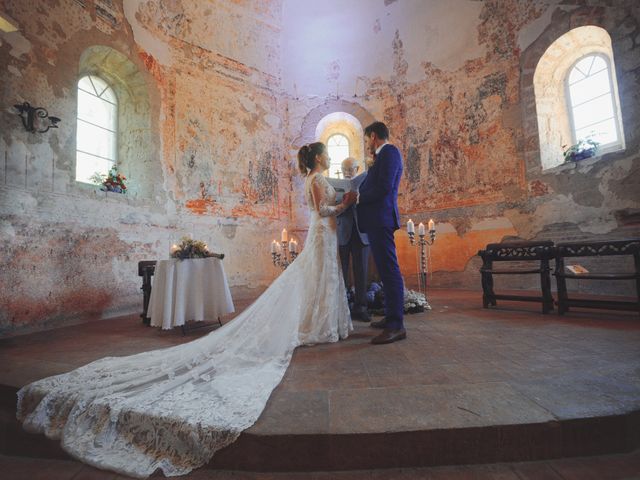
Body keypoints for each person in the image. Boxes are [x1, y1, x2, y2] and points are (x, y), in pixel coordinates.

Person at [16, 142, 357, 479]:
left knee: (320, 280)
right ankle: (314, 324)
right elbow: (320, 211)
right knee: (314, 278)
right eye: (325, 152)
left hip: (325, 236)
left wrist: (339, 205)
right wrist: (343, 204)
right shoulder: (314, 179)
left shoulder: (319, 177)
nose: (328, 156)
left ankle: (321, 322)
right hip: (321, 233)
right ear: (315, 157)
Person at [356, 121, 406, 345]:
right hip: (377, 219)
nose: (367, 144)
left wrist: (357, 197)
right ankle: (390, 317)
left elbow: (384, 186)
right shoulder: (383, 156)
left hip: (381, 218)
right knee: (384, 272)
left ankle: (396, 325)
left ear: (373, 136)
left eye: (367, 139)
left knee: (389, 270)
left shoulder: (390, 152)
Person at [337, 157, 371, 322]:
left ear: (357, 170)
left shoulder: (365, 181)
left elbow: (370, 202)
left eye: (350, 169)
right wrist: (343, 202)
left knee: (361, 271)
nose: (347, 172)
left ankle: (361, 307)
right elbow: (331, 207)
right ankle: (344, 308)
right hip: (342, 231)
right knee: (341, 271)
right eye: (344, 169)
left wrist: (357, 199)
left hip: (361, 232)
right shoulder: (335, 185)